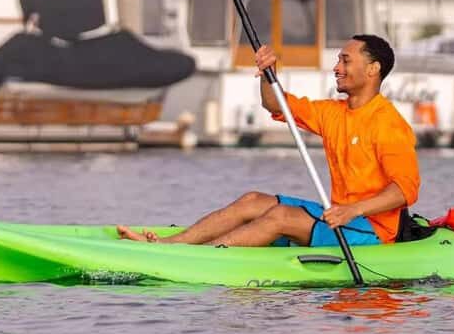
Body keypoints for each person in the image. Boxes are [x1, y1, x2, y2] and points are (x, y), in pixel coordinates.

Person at [116, 34, 420, 247]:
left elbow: (404, 191)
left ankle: (200, 257)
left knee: (281, 217)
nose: (336, 68)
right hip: (337, 214)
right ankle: (170, 244)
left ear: (372, 69)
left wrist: (353, 210)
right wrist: (267, 75)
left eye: (345, 60)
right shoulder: (333, 112)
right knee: (252, 201)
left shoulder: (389, 124)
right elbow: (276, 105)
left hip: (373, 230)